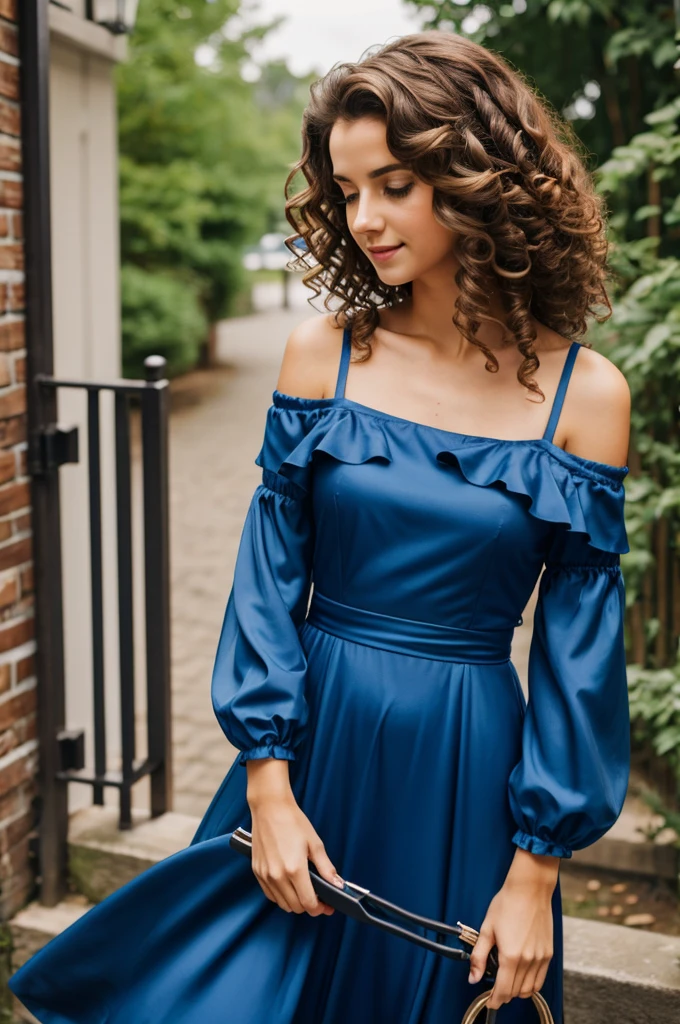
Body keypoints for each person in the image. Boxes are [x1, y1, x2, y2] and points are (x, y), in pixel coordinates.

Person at [9, 29, 631, 1024]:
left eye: (392, 183)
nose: (365, 218)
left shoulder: (584, 395)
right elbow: (267, 581)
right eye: (347, 192)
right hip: (312, 740)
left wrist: (532, 878)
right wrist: (267, 786)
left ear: (472, 177)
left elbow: (577, 657)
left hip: (465, 759)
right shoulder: (323, 358)